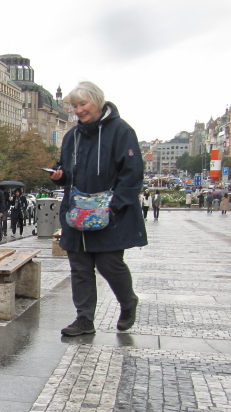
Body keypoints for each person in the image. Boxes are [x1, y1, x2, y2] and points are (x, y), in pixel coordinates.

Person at [50, 81, 146, 337]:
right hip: (78, 212)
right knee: (79, 267)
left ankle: (128, 303)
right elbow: (67, 169)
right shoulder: (72, 136)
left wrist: (114, 207)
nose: (78, 110)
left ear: (98, 101)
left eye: (83, 104)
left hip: (109, 213)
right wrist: (60, 176)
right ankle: (84, 320)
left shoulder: (121, 131)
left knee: (109, 264)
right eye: (74, 106)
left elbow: (133, 173)